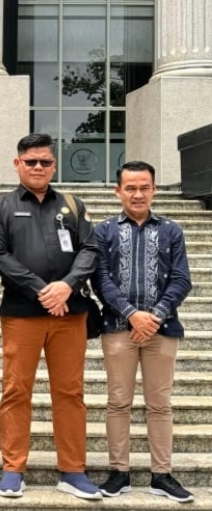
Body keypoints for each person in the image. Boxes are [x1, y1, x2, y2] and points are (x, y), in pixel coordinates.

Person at [0, 133, 101, 500]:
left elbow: (90, 248)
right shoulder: (0, 207)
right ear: (17, 164)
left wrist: (66, 285)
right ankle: (13, 469)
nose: (38, 167)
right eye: (31, 161)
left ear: (54, 165)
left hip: (69, 313)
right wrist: (43, 290)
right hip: (22, 314)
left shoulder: (72, 205)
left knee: (70, 392)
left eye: (45, 162)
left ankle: (73, 470)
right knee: (16, 391)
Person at [92, 161, 194, 503]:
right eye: (131, 188)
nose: (138, 194)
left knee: (160, 405)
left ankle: (161, 475)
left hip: (161, 331)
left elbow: (181, 279)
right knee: (118, 402)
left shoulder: (171, 231)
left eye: (144, 187)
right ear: (118, 191)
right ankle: (118, 472)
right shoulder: (104, 231)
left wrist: (155, 316)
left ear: (154, 190)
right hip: (118, 329)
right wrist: (132, 314)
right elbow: (100, 279)